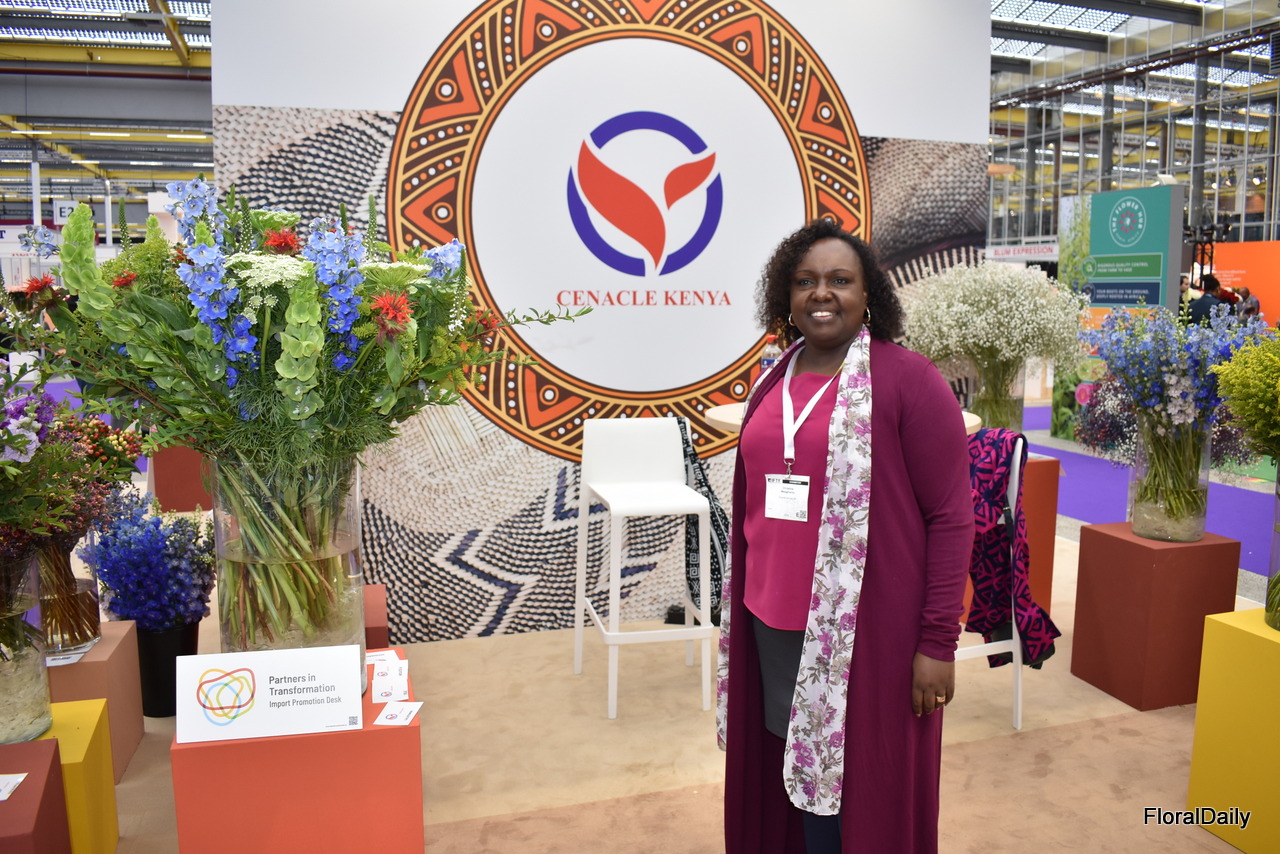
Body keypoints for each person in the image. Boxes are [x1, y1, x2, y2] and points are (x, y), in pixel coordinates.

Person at [720, 219, 974, 853]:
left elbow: (951, 516)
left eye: (839, 280)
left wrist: (937, 641)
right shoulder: (772, 380)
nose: (821, 293)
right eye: (805, 281)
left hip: (870, 634)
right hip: (773, 622)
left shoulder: (909, 380)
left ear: (868, 295)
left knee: (862, 789)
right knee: (795, 775)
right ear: (785, 295)